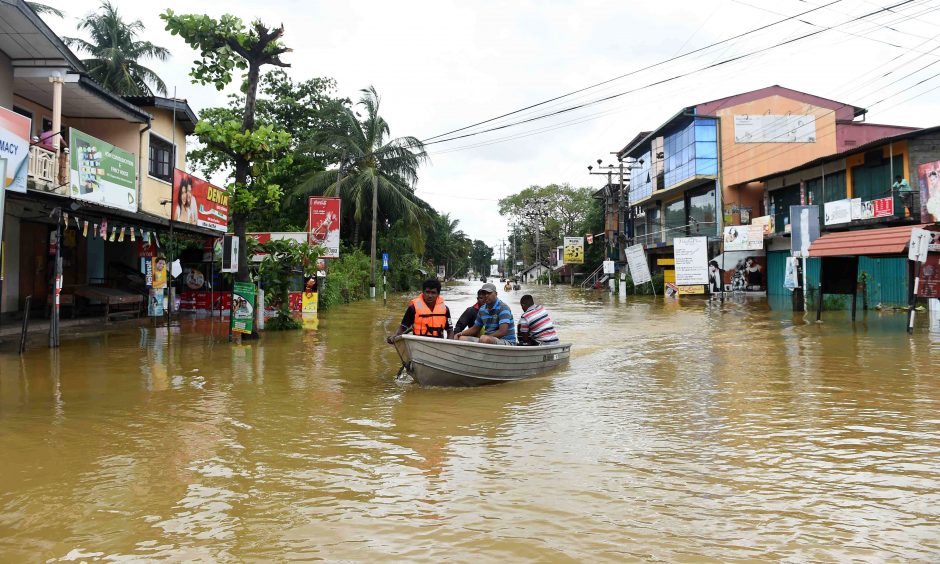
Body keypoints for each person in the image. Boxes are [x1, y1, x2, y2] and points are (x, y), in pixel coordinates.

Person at [387, 278, 452, 343]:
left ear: (438, 294)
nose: (430, 296)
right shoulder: (413, 308)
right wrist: (395, 337)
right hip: (418, 342)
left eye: (433, 293)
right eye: (427, 292)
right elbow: (403, 327)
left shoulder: (445, 309)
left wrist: (448, 345)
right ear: (423, 292)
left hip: (438, 343)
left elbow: (450, 331)